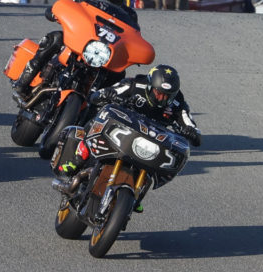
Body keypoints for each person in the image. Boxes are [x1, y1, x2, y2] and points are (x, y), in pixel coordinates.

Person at [52, 65, 201, 199]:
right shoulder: (134, 85)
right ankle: (76, 160)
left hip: (147, 143)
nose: (161, 98)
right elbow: (97, 95)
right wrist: (108, 94)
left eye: (167, 95)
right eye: (158, 92)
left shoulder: (178, 103)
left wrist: (192, 132)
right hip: (123, 128)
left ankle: (136, 195)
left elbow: (189, 123)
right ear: (150, 86)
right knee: (96, 120)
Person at [12, 0, 139, 98]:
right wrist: (55, 12)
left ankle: (101, 105)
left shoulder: (130, 15)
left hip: (106, 51)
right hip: (81, 42)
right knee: (56, 38)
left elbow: (134, 38)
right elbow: (67, 6)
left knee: (119, 73)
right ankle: (23, 82)